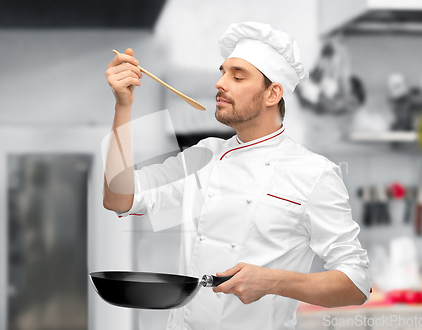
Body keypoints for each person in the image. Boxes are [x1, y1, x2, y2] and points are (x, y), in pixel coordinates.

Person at [103, 22, 370, 330]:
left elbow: (356, 282)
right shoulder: (204, 155)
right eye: (222, 72)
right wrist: (123, 106)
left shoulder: (314, 173)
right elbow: (118, 197)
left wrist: (272, 281)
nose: (220, 83)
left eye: (237, 76)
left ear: (272, 93)